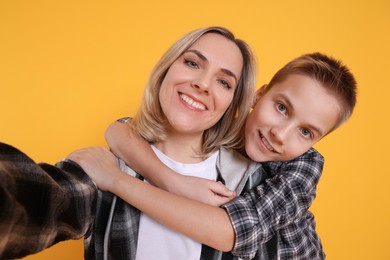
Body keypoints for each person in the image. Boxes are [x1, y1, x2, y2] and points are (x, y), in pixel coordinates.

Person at [0, 26, 257, 260]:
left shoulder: (247, 181)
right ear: (166, 69)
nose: (202, 84)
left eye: (224, 82)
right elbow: (39, 199)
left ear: (233, 104)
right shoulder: (110, 164)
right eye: (192, 63)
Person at [69, 52, 357, 260]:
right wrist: (174, 182)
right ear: (259, 94)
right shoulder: (220, 124)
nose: (280, 134)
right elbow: (120, 130)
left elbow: (231, 233)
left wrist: (116, 181)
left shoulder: (304, 167)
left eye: (306, 132)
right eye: (281, 108)